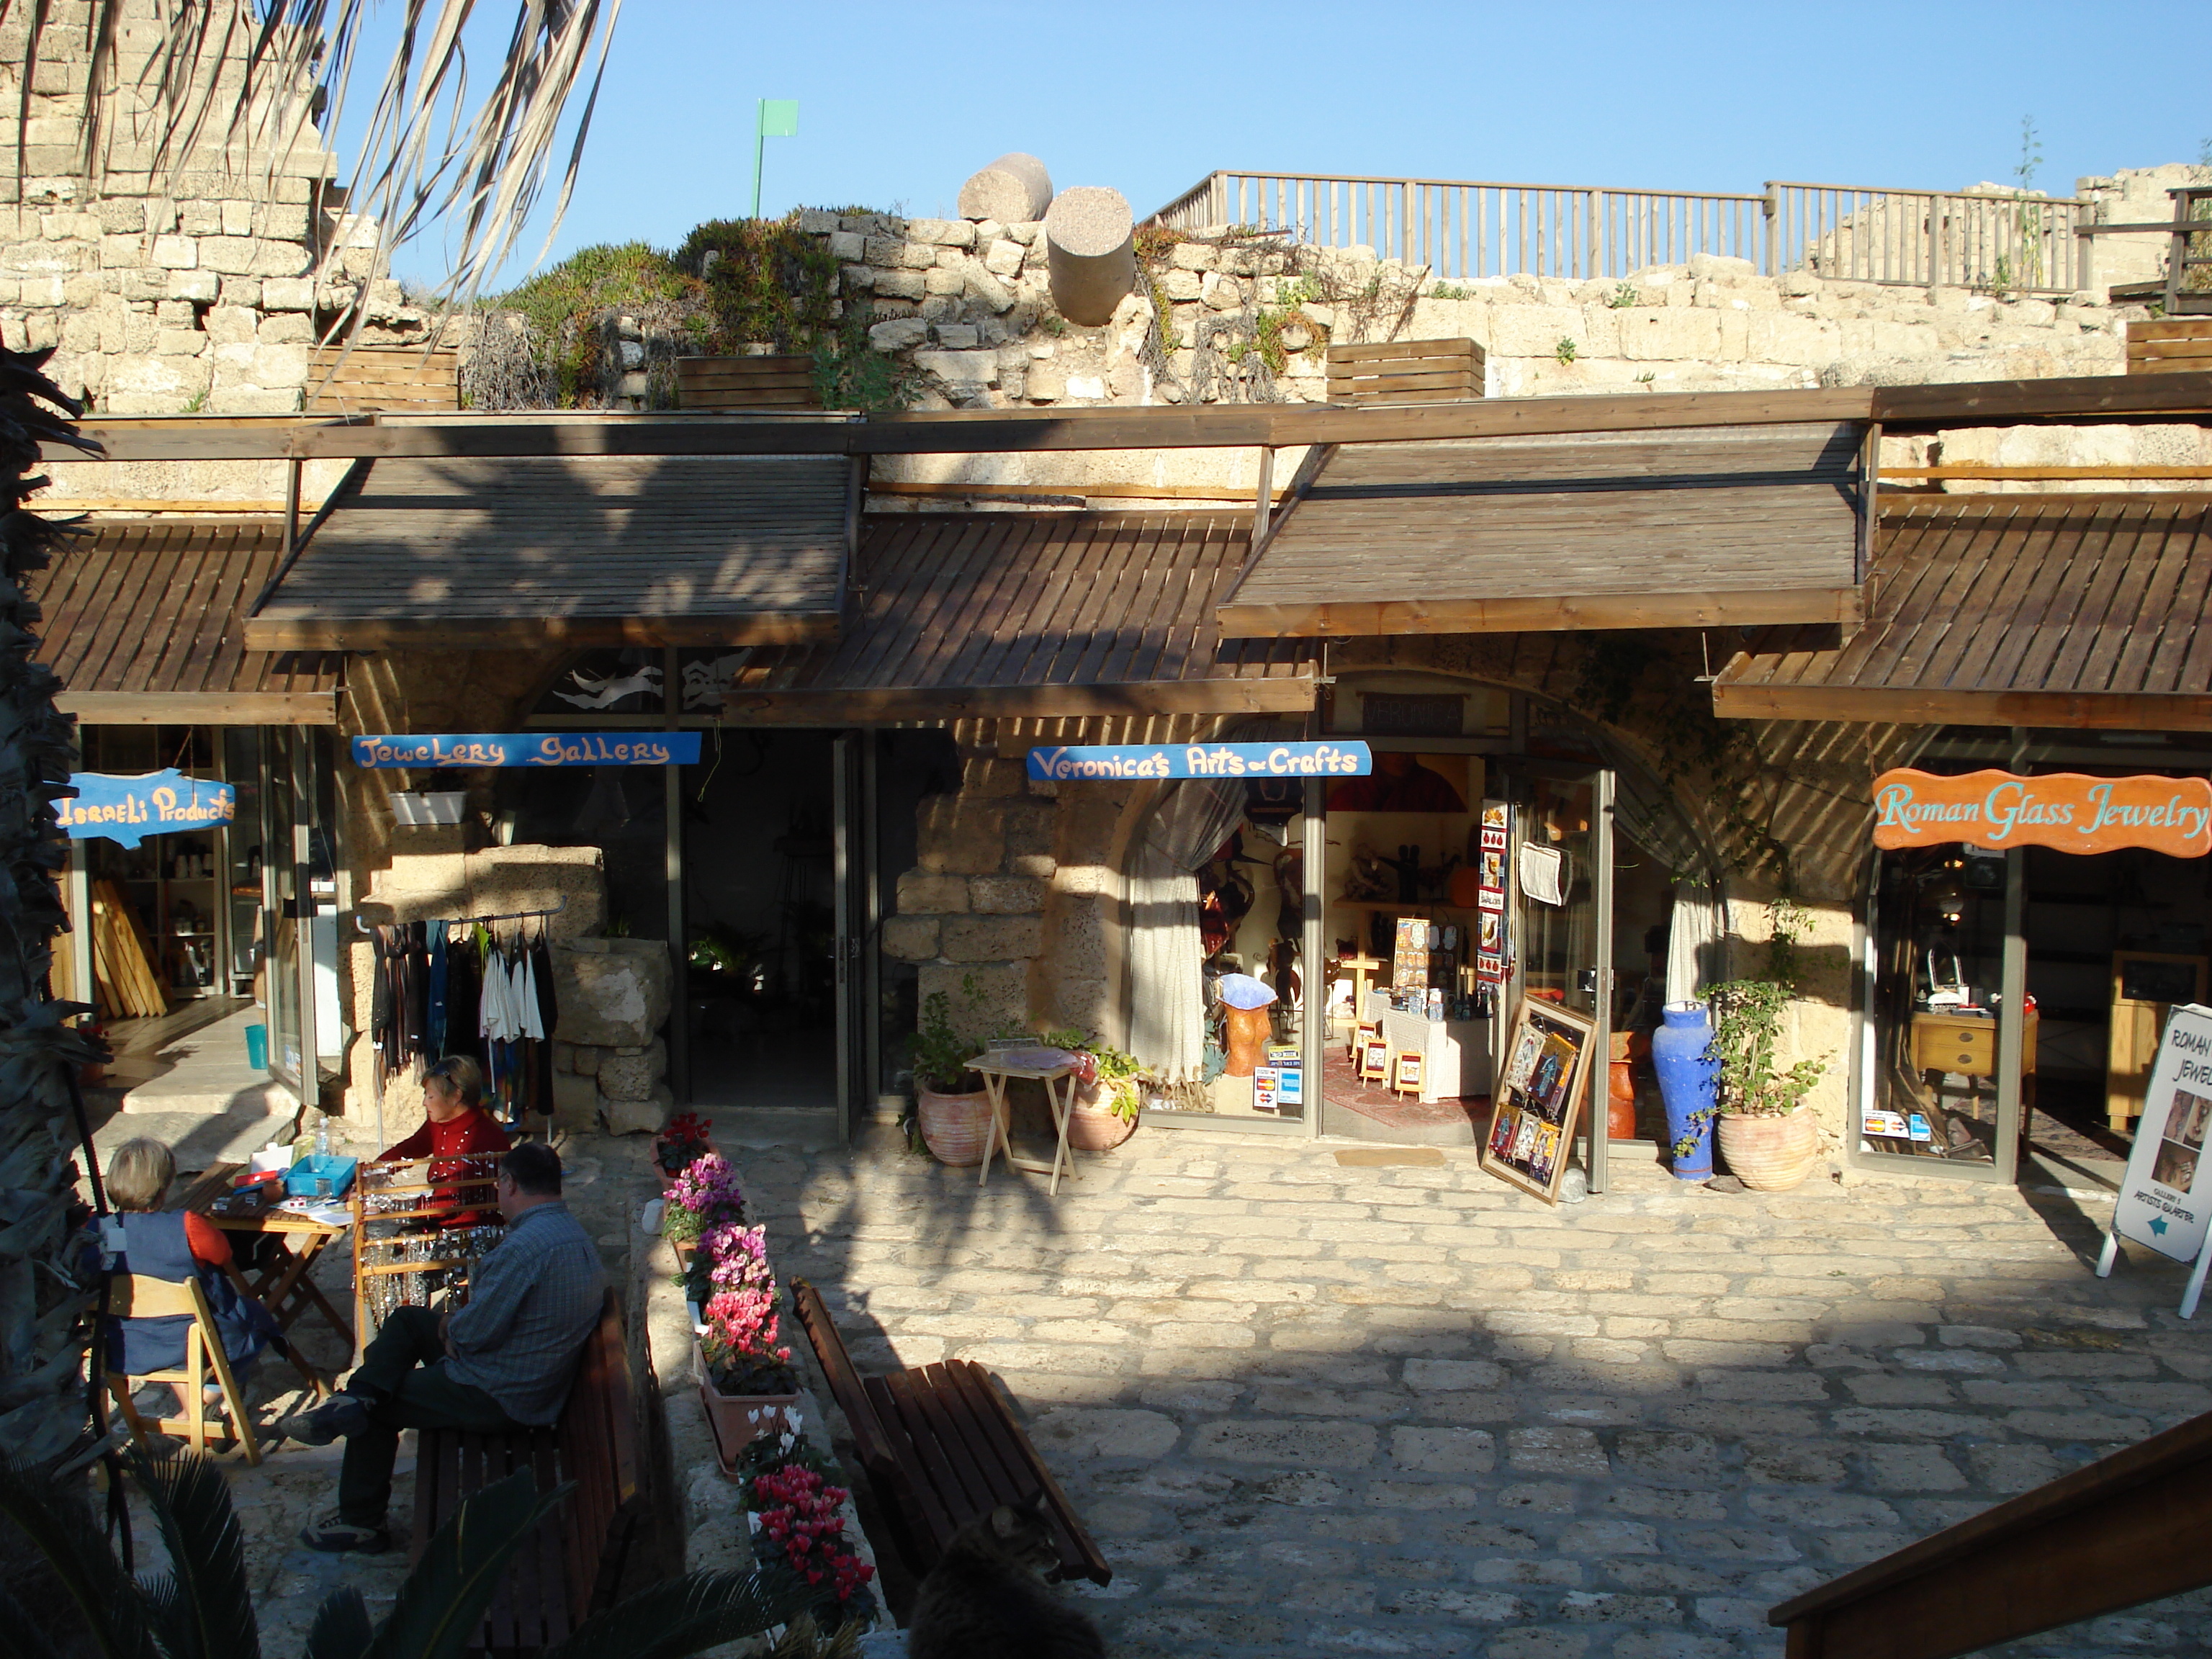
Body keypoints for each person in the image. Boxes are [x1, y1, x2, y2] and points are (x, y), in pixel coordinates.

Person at [279, 1140, 606, 1553]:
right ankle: (357, 1397)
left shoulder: (526, 1248)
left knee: (382, 1407)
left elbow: (473, 1334)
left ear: (508, 1184)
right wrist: (455, 1325)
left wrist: (454, 1325)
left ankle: (361, 1521)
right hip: (522, 1373)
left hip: (499, 1393)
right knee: (411, 1321)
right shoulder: (570, 1234)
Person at [99, 1137, 280, 1414]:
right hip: (198, 1338)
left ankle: (196, 1412)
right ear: (165, 1184)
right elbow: (222, 1255)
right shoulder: (184, 1225)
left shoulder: (102, 1231)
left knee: (175, 1329)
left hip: (129, 1342)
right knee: (255, 1321)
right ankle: (200, 1406)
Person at [377, 1054, 511, 1226]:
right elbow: (411, 1148)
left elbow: (449, 1202)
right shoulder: (441, 1124)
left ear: (456, 1096)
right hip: (440, 1219)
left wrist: (389, 1207)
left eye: (431, 1096)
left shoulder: (483, 1139)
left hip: (470, 1233)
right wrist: (374, 1174)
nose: (424, 1103)